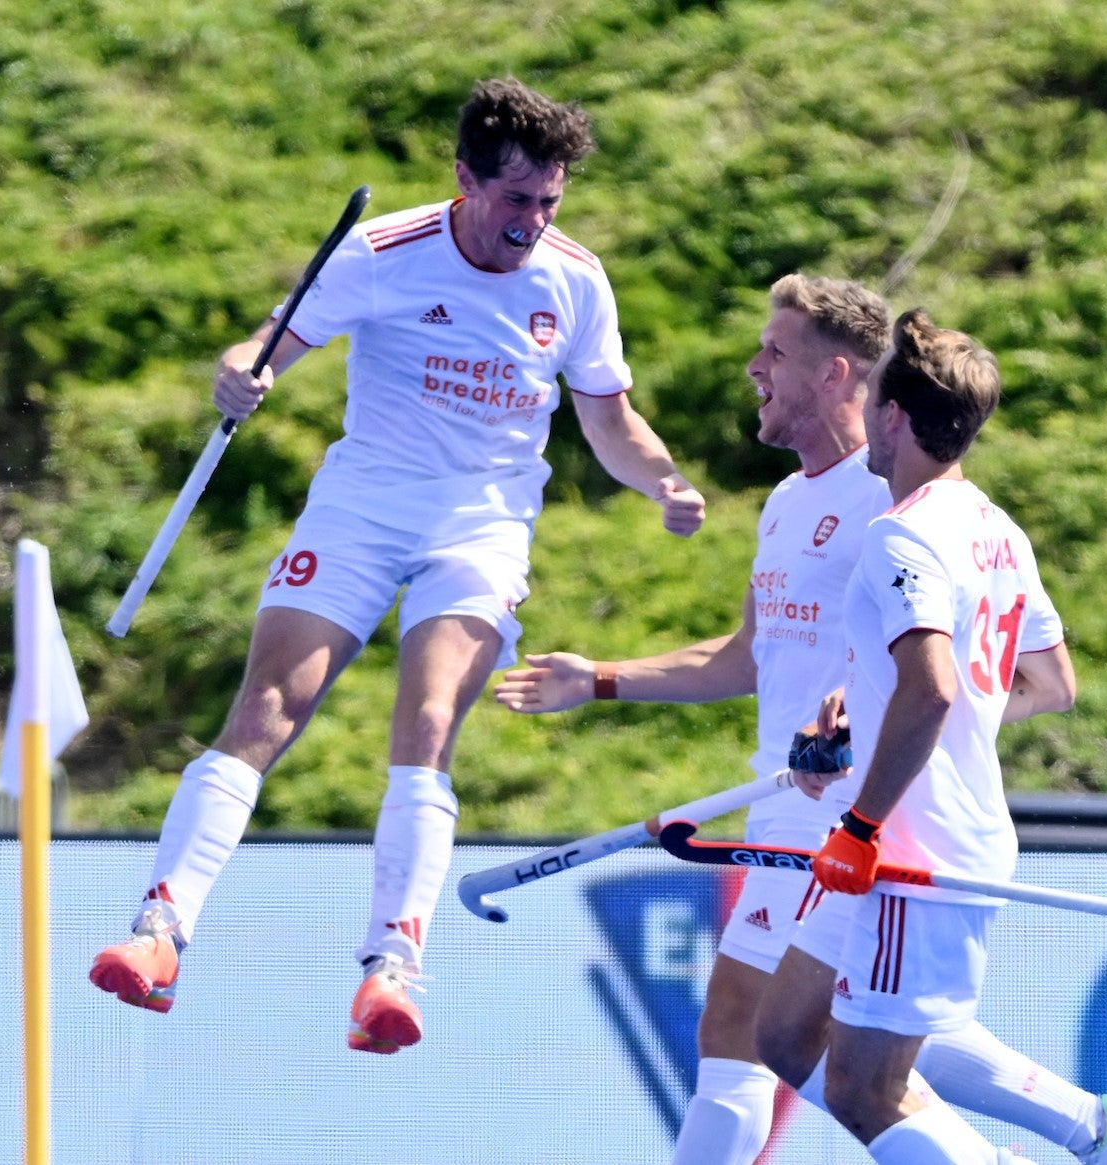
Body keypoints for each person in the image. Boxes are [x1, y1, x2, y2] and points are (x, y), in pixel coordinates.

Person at [88, 78, 708, 1055]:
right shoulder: (382, 253)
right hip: (362, 508)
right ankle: (161, 928)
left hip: (482, 527)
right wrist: (241, 371)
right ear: (464, 179)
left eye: (551, 201)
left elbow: (609, 419)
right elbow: (267, 345)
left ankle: (393, 967)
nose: (533, 223)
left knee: (425, 722)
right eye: (516, 200)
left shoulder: (576, 280)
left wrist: (663, 483)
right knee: (264, 713)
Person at [494, 275, 1107, 1164]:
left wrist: (867, 753)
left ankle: (1061, 1136)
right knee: (837, 1039)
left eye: (775, 352)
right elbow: (747, 658)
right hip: (836, 815)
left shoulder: (888, 509)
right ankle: (1092, 1126)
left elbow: (975, 681)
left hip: (848, 825)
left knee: (761, 1031)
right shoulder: (791, 501)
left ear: (847, 381)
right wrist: (601, 680)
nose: (753, 368)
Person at [738, 309, 1073, 1165]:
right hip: (894, 842)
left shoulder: (901, 535)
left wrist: (859, 822)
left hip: (905, 851)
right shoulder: (998, 526)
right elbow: (1048, 684)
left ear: (892, 416)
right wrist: (869, 717)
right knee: (781, 1034)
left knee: (862, 1089)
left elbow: (931, 691)